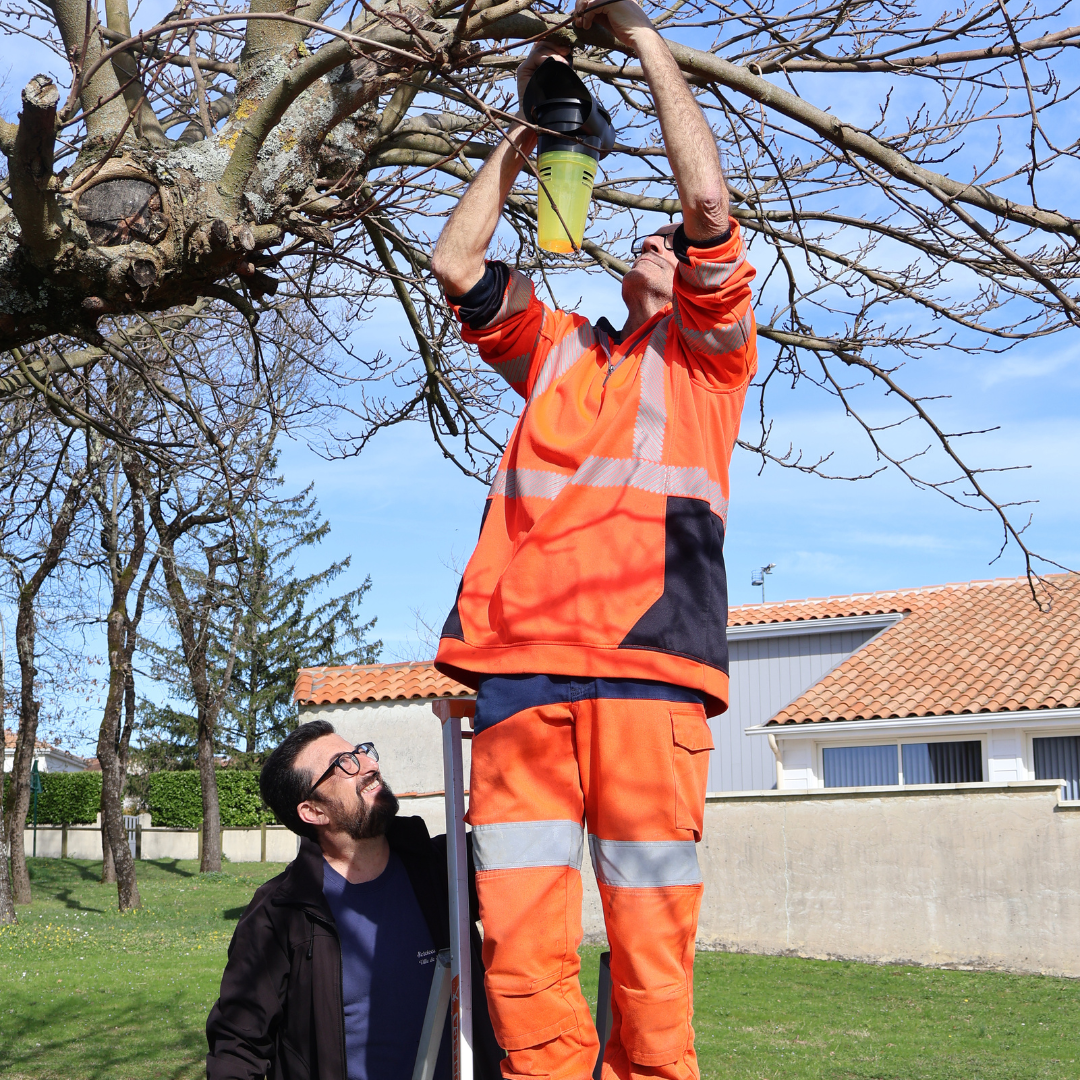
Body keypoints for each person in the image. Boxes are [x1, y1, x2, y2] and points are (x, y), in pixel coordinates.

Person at [429, 3, 757, 1080]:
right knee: (519, 953)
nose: (659, 239)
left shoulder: (710, 360)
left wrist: (641, 40)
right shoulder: (559, 348)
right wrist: (529, 132)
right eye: (648, 238)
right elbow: (455, 259)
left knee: (649, 949)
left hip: (645, 675)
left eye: (673, 244)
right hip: (518, 677)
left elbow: (705, 198)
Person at [206, 720, 502, 1080]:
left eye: (361, 751)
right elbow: (238, 1049)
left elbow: (519, 834)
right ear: (314, 812)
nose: (368, 764)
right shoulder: (279, 914)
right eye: (344, 762)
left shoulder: (444, 870)